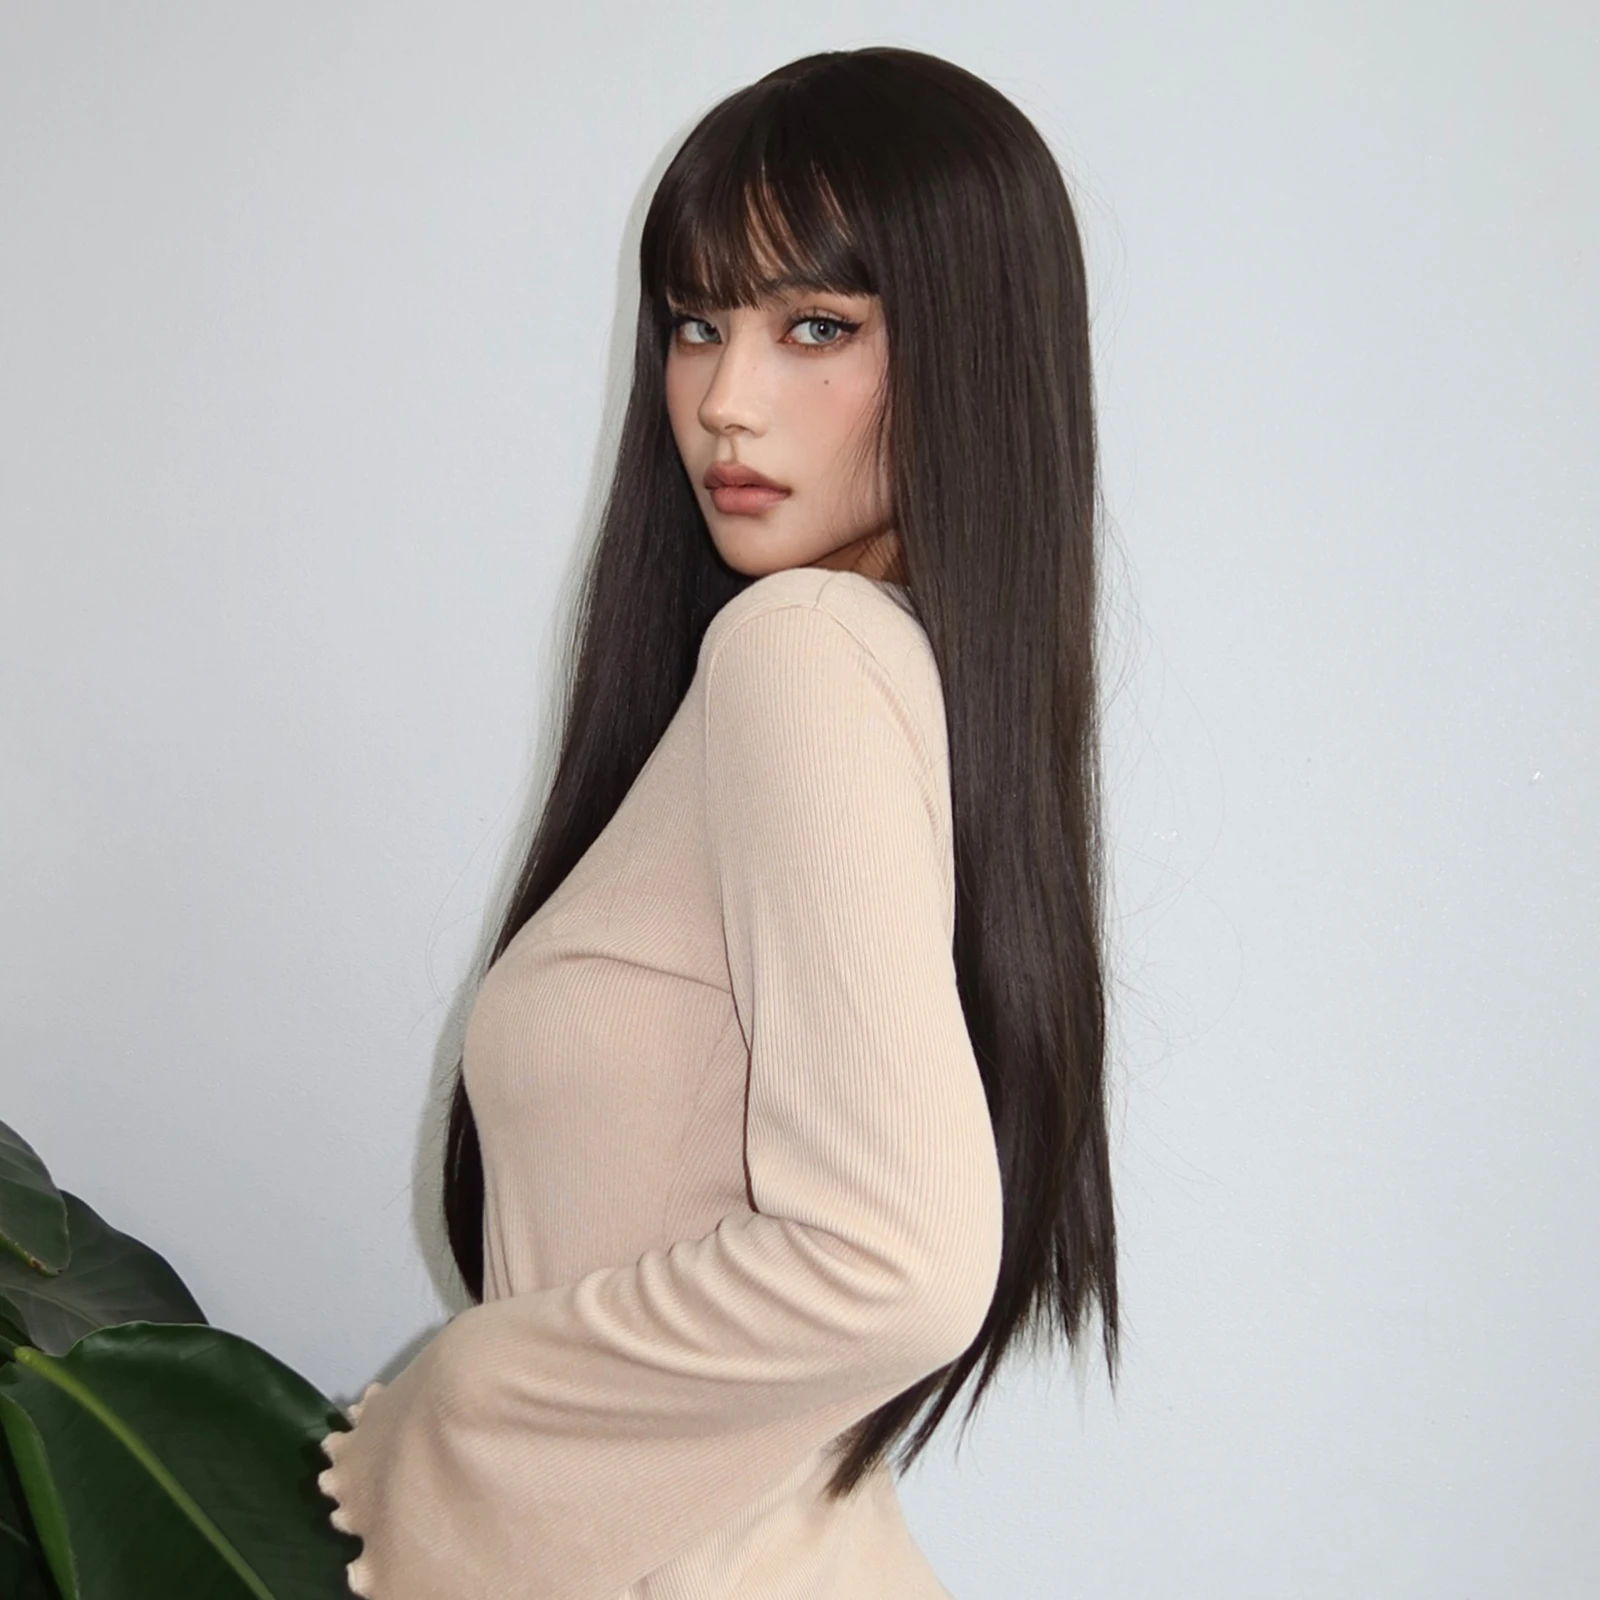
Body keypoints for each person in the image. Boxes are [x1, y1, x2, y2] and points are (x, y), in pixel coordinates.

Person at [318, 44, 1118, 1599]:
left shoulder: (801, 650)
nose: (725, 404)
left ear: (972, 344)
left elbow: (896, 1265)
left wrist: (468, 1401)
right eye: (697, 324)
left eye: (817, 327)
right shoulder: (866, 666)